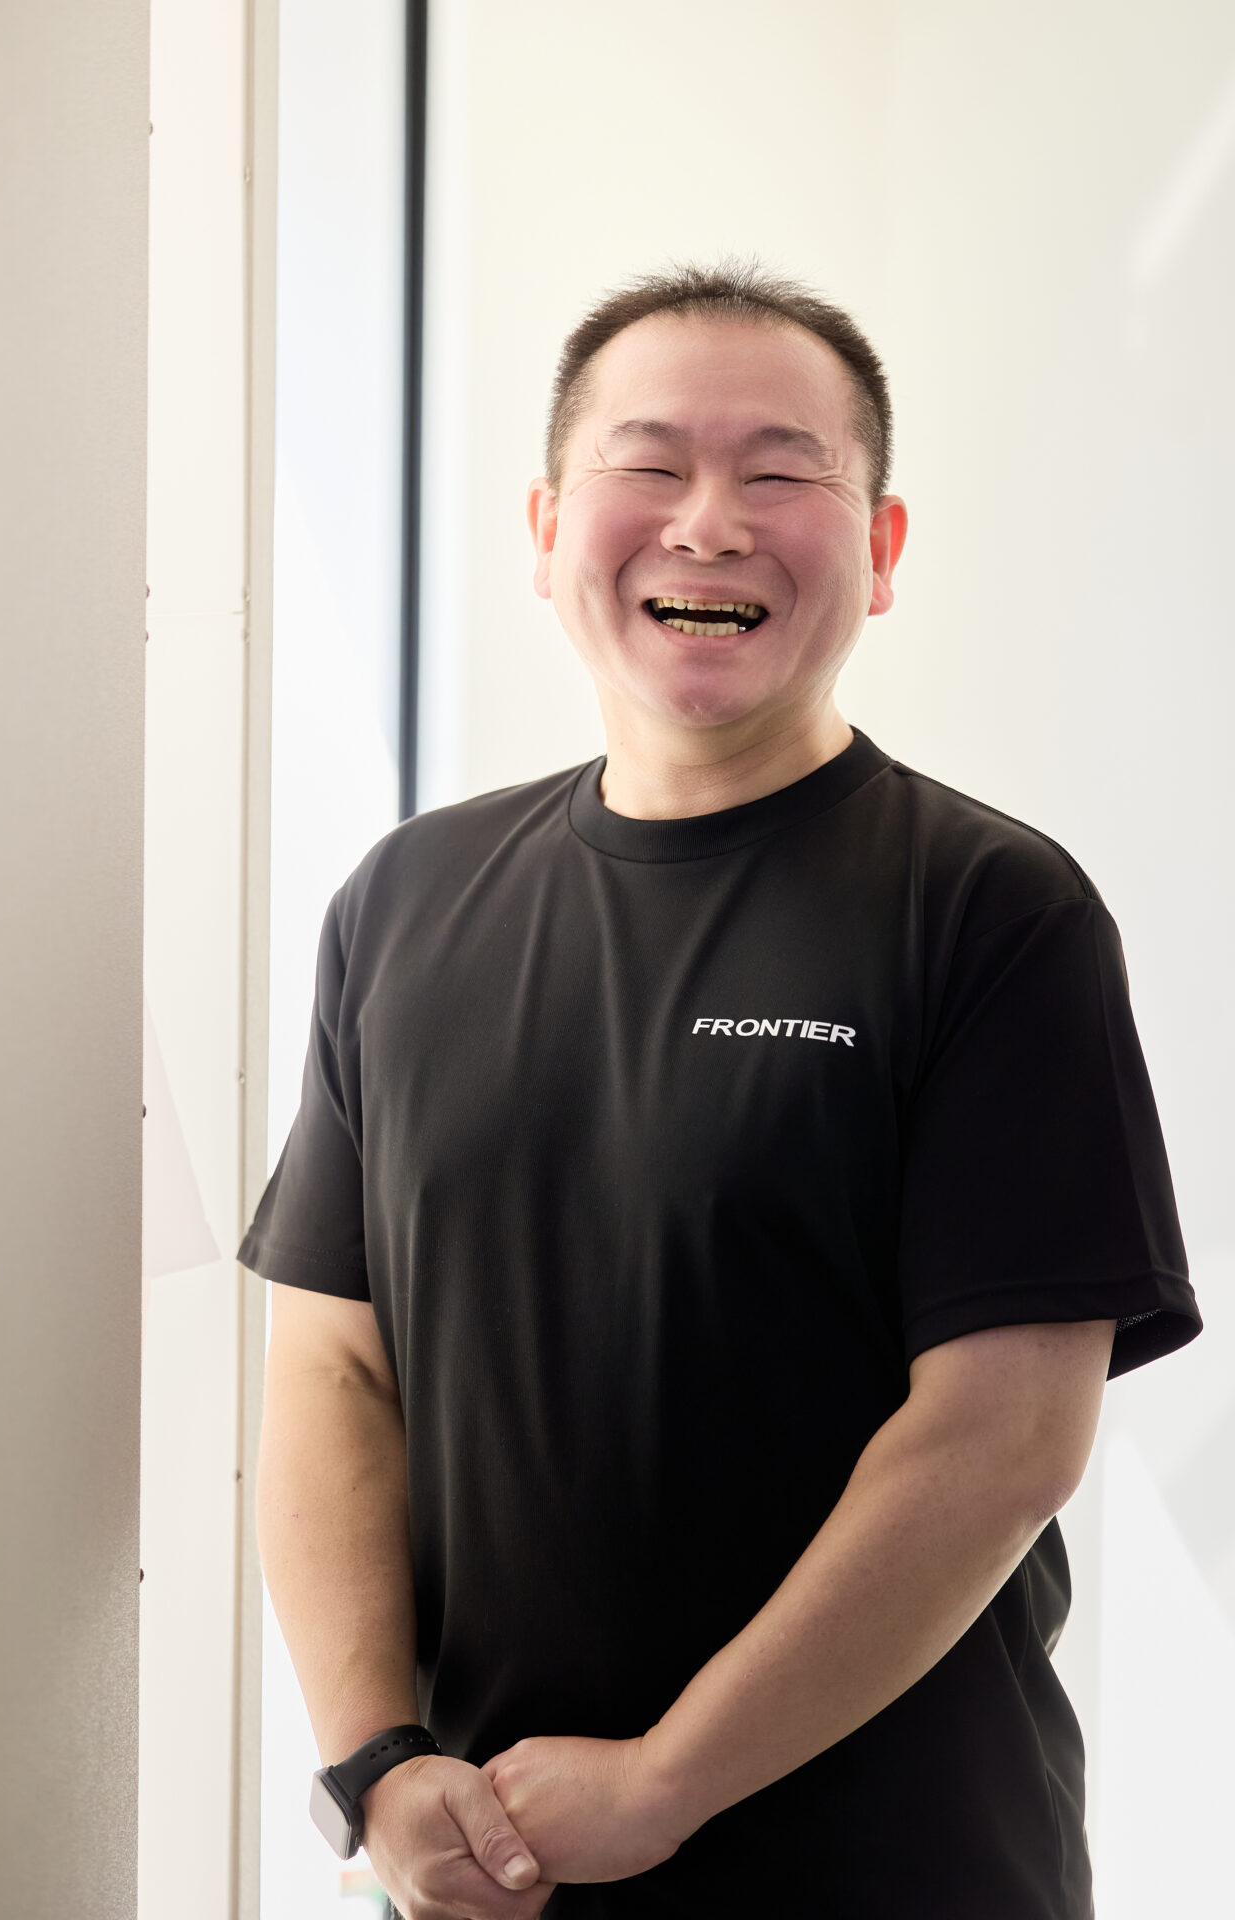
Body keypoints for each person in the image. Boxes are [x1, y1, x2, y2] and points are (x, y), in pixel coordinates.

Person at [238, 259, 1203, 1920]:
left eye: (780, 473)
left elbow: (999, 1439)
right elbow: (334, 1366)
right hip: (494, 1873)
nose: (708, 523)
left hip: (897, 1873)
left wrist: (666, 1783)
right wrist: (376, 1764)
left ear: (881, 552)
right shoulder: (405, 901)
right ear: (547, 527)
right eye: (649, 464)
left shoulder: (990, 913)